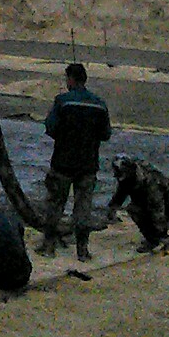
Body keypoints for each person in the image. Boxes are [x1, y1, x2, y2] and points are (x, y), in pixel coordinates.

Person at [41, 61, 112, 258]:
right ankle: (82, 249)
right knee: (83, 208)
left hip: (62, 163)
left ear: (70, 79)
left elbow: (50, 128)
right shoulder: (99, 104)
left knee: (55, 204)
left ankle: (48, 246)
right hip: (88, 165)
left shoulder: (62, 102)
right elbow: (106, 134)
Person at [104, 155, 169, 253]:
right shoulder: (128, 177)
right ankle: (154, 237)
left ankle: (158, 239)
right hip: (154, 204)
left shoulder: (149, 182)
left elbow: (157, 208)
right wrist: (112, 209)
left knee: (137, 210)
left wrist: (161, 233)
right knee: (134, 209)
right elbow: (120, 193)